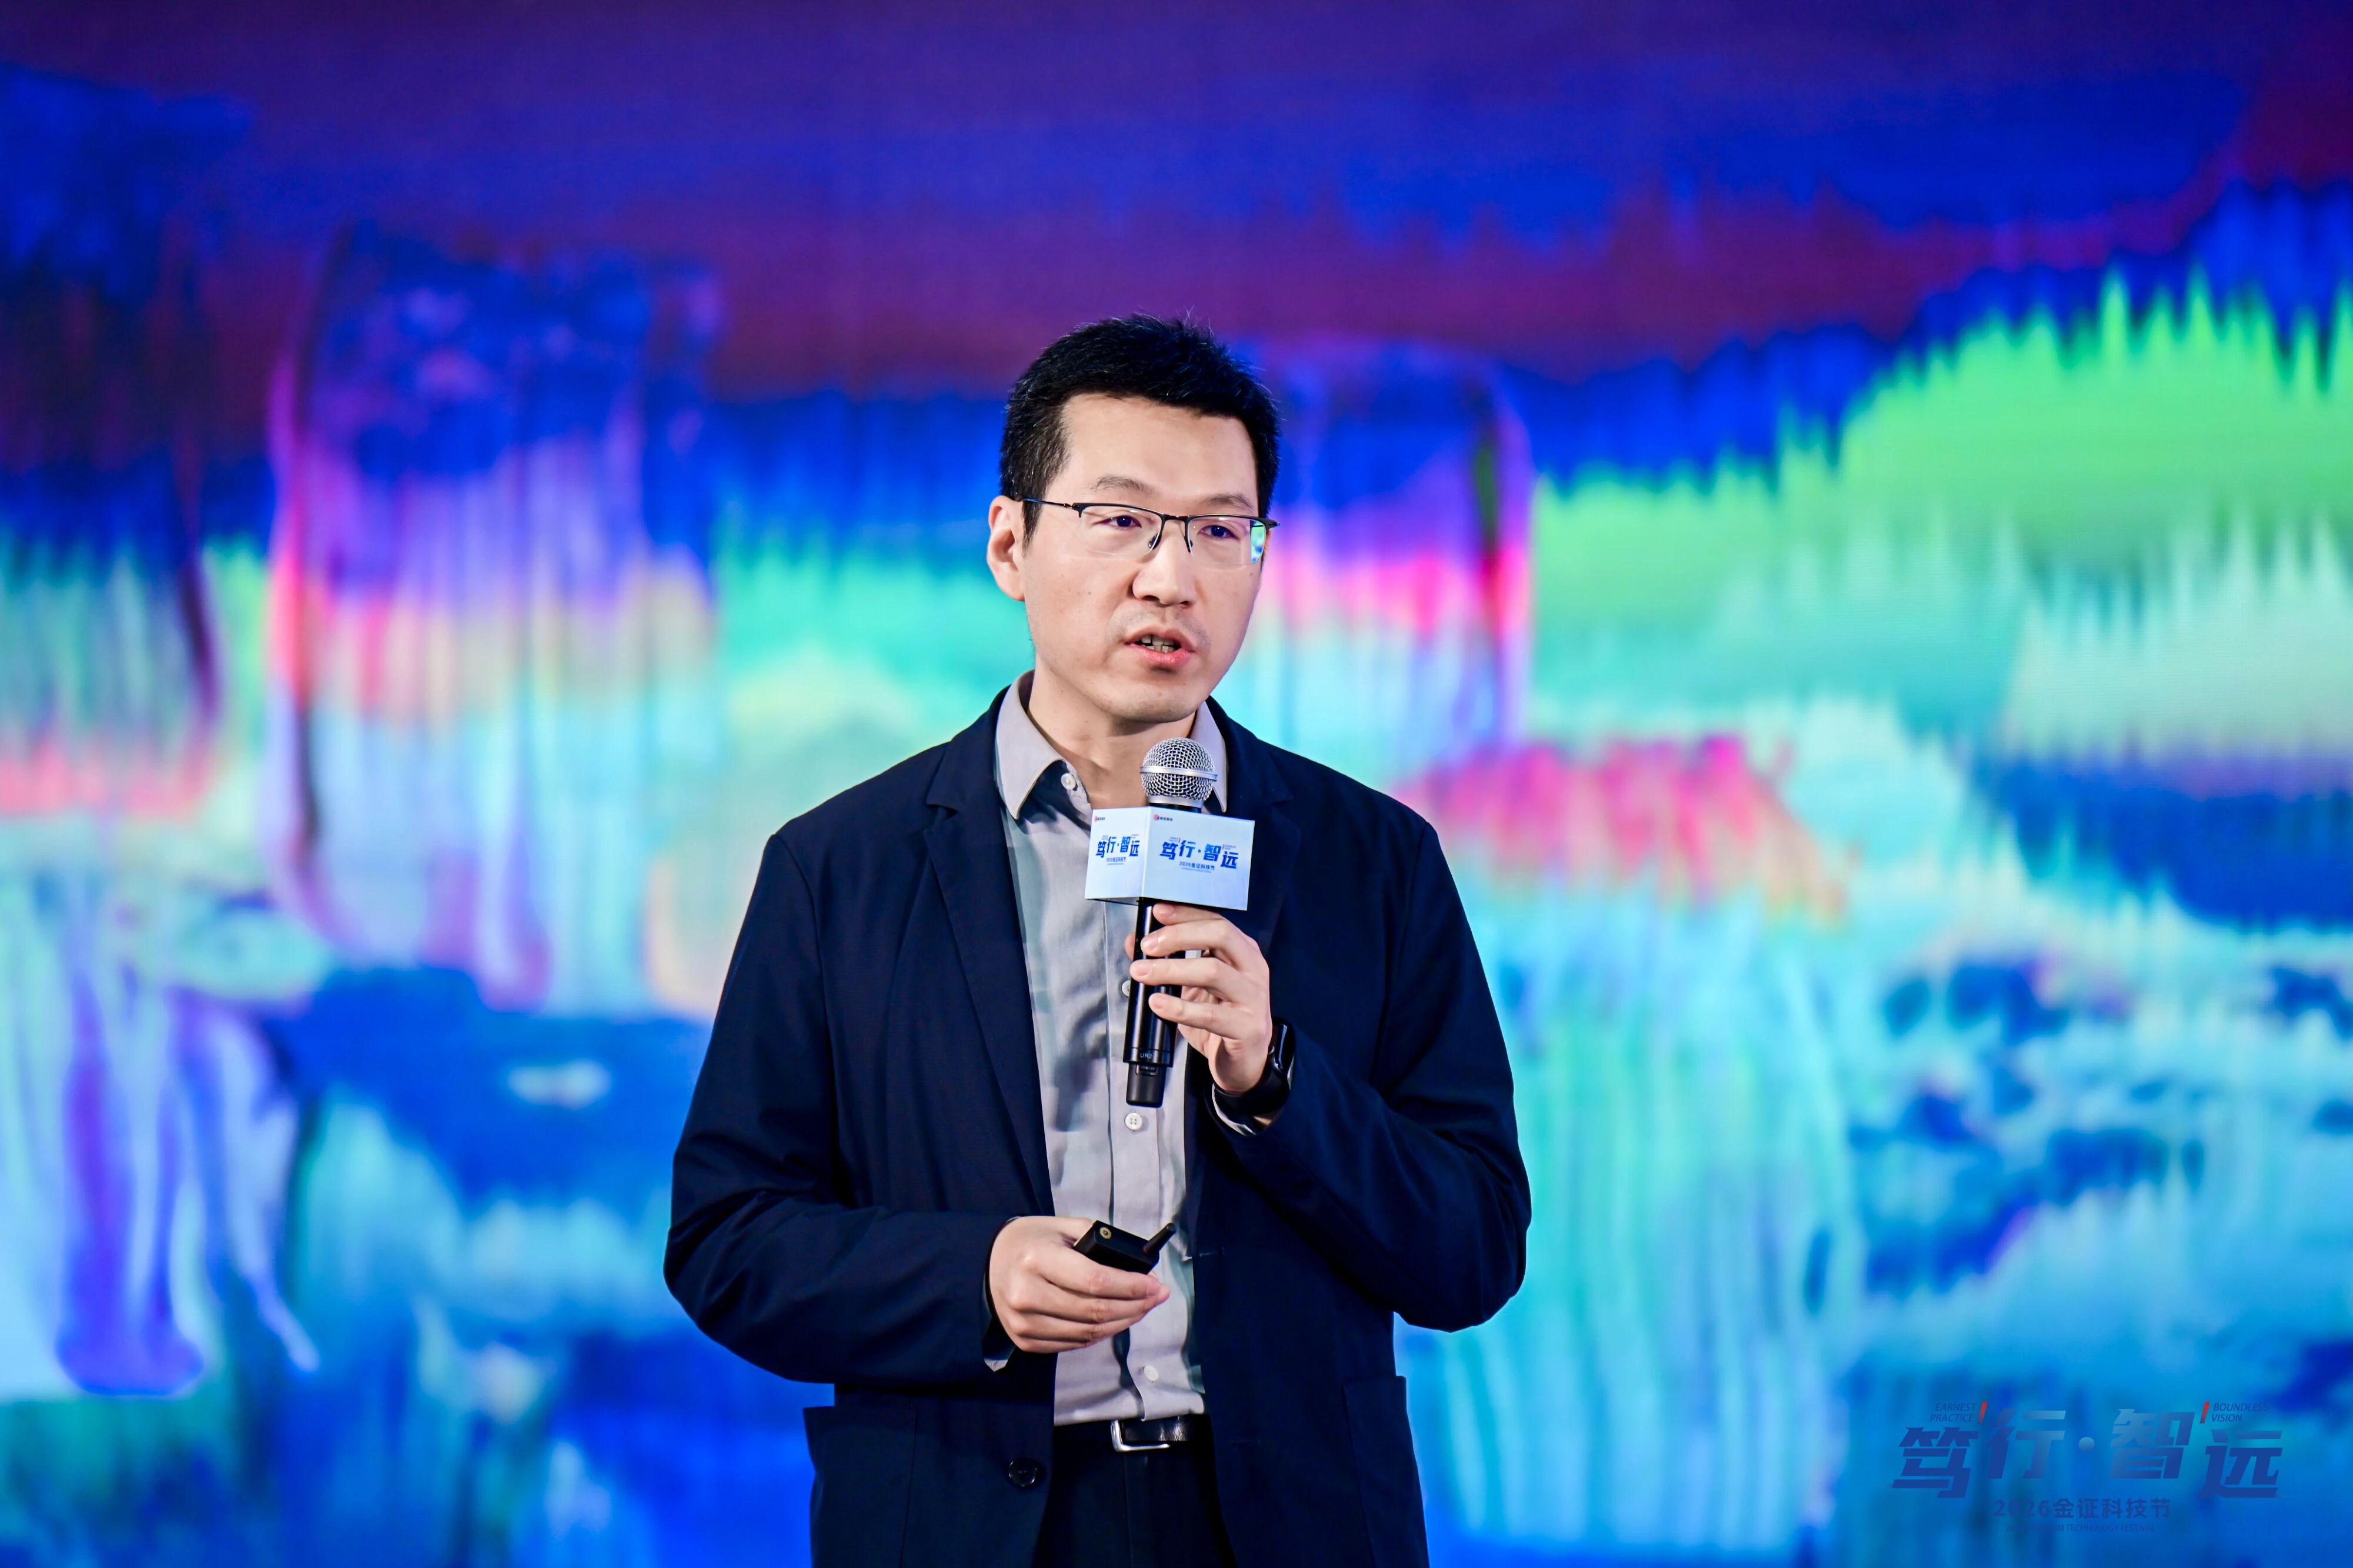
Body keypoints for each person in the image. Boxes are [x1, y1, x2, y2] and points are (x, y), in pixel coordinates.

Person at [666, 315, 1529, 1567]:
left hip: (1283, 1525)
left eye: (1220, 531)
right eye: (1121, 520)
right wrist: (974, 1276)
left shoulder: (1374, 861)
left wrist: (1276, 1082)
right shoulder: (839, 868)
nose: (1170, 578)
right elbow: (728, 1241)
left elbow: (1473, 1248)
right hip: (969, 1521)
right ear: (1010, 545)